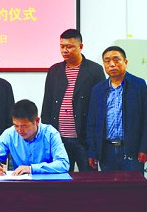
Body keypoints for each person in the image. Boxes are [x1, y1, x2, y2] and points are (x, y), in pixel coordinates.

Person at [41, 29, 105, 172]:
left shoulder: (95, 70)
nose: (65, 50)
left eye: (69, 46)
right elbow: (47, 104)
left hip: (84, 139)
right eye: (62, 46)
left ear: (80, 47)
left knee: (88, 179)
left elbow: (100, 107)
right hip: (59, 139)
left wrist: (95, 141)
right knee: (60, 179)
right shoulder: (54, 70)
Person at [87, 46, 147, 172]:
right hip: (106, 151)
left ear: (125, 62)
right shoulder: (98, 89)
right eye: (107, 61)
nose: (112, 64)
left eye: (116, 60)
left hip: (131, 150)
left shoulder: (139, 85)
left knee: (133, 184)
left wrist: (144, 148)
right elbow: (92, 123)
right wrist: (92, 151)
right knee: (109, 185)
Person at [0, 99, 69, 175]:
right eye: (16, 125)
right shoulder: (9, 134)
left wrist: (31, 169)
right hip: (19, 183)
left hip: (46, 183)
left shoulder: (51, 134)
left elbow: (63, 164)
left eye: (24, 126)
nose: (20, 130)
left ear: (37, 121)